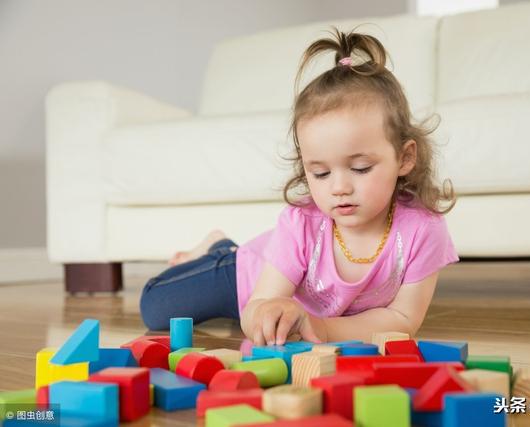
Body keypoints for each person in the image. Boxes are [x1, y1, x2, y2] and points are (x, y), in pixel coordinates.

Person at [140, 27, 459, 346]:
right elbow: (258, 304)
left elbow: (403, 320)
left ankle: (223, 247)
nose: (339, 187)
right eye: (320, 173)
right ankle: (221, 250)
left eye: (360, 168)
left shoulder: (424, 229)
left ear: (404, 158)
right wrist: (264, 315)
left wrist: (320, 329)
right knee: (155, 308)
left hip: (302, 315)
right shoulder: (302, 222)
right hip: (249, 277)